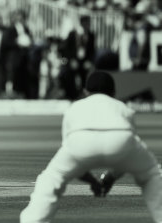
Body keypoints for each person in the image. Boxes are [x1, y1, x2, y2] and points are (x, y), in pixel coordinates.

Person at [20, 71, 162, 223]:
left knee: (50, 179)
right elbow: (128, 155)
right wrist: (110, 177)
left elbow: (72, 158)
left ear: (85, 91)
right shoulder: (123, 108)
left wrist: (92, 181)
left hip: (80, 141)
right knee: (152, 175)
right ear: (113, 93)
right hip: (121, 139)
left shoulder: (74, 108)